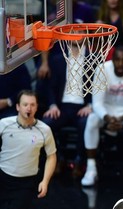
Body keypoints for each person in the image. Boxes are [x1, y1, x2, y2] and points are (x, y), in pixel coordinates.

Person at [81, 46, 123, 186]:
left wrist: (122, 118)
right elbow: (97, 103)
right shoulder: (102, 69)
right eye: (117, 60)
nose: (121, 64)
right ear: (112, 60)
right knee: (91, 120)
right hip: (107, 109)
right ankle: (91, 168)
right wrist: (108, 118)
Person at [41, 35, 92, 178]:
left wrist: (91, 105)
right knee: (47, 124)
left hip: (83, 107)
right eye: (73, 31)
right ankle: (58, 158)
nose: (76, 34)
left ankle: (79, 161)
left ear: (86, 36)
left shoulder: (93, 59)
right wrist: (52, 105)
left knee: (87, 123)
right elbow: (51, 86)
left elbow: (99, 85)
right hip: (61, 107)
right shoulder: (58, 59)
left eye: (80, 31)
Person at [0, 90, 57, 209]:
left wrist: (45, 181)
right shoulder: (3, 124)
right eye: (25, 104)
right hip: (3, 177)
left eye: (32, 105)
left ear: (37, 107)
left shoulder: (45, 130)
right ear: (17, 107)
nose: (29, 108)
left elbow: (51, 156)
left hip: (26, 183)